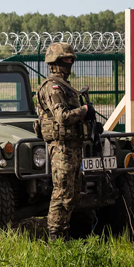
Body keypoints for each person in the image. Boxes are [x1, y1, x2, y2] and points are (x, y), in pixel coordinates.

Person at [36, 42, 93, 241]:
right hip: (61, 147)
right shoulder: (52, 87)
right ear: (55, 62)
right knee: (62, 192)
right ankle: (55, 235)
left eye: (71, 59)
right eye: (65, 59)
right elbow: (63, 117)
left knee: (72, 192)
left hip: (73, 146)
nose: (70, 62)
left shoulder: (66, 87)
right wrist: (84, 111)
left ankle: (64, 231)